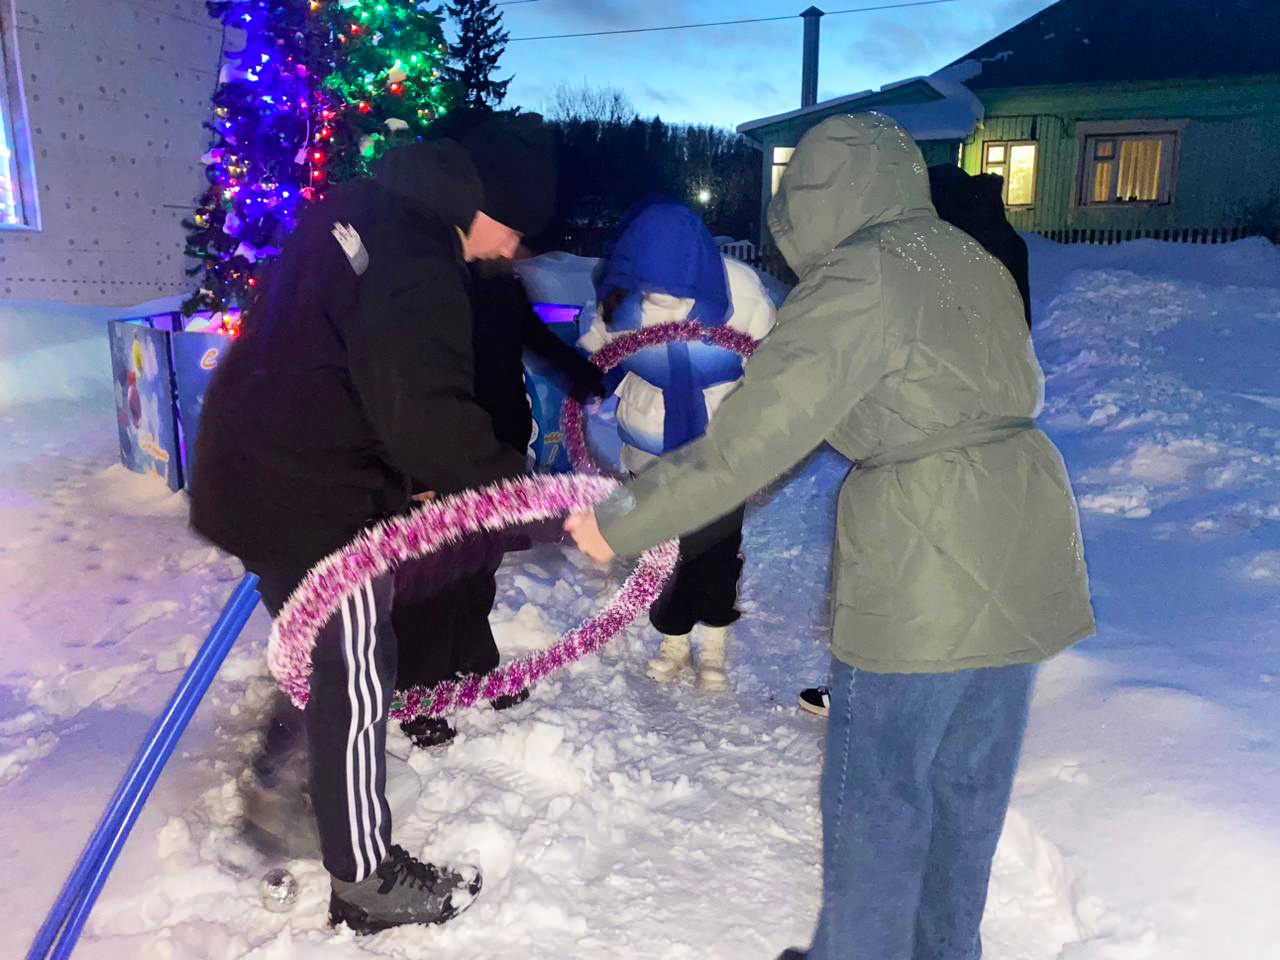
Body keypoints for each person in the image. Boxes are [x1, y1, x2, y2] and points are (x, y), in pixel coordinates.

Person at [566, 113, 1093, 960]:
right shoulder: (968, 257)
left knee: (877, 800)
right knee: (966, 793)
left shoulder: (856, 280)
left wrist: (621, 516)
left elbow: (751, 440)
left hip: (929, 552)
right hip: (1031, 537)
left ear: (812, 202)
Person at [189, 114, 557, 932]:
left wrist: (402, 477)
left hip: (253, 468)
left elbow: (339, 362)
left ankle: (277, 796)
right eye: (516, 230)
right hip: (314, 497)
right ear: (486, 202)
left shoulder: (364, 202)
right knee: (357, 673)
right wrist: (526, 495)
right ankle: (365, 880)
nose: (512, 252)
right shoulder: (420, 256)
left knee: (325, 658)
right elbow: (425, 412)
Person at [796, 160, 1035, 719]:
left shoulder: (946, 250)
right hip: (985, 435)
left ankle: (875, 694)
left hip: (929, 438)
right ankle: (936, 694)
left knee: (900, 573)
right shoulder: (999, 244)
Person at [392, 252, 605, 749]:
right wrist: (415, 469)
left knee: (476, 566)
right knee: (432, 577)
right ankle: (420, 692)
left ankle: (473, 665)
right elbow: (403, 384)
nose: (516, 244)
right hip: (442, 455)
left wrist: (587, 375)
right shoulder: (426, 284)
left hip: (495, 455)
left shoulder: (501, 285)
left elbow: (533, 337)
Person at [578, 200, 776, 690]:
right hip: (650, 446)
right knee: (664, 549)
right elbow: (594, 352)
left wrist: (757, 437)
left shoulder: (741, 291)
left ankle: (713, 641)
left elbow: (772, 366)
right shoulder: (619, 294)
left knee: (716, 547)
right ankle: (672, 636)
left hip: (719, 451)